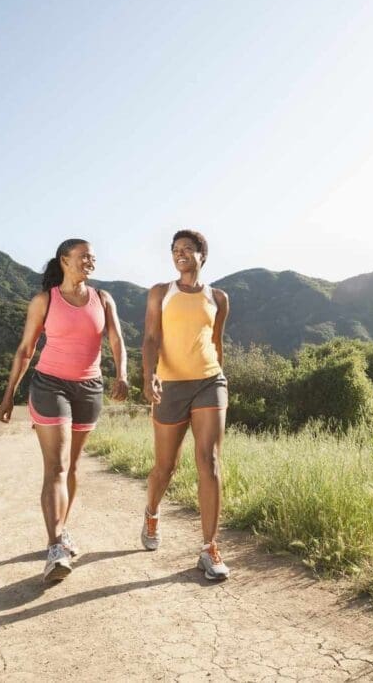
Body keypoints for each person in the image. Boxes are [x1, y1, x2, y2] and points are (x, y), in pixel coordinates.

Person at [0, 238, 128, 583]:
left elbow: (116, 339)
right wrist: (9, 393)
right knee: (55, 465)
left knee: (71, 466)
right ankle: (55, 546)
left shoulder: (103, 298)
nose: (91, 260)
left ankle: (61, 528)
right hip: (49, 384)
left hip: (89, 387)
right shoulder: (45, 301)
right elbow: (26, 349)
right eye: (84, 256)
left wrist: (123, 374)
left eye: (93, 256)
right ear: (64, 260)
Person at [141, 229, 231, 580]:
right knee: (165, 467)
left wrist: (221, 377)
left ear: (201, 255)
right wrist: (149, 376)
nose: (180, 254)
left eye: (187, 250)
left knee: (208, 460)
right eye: (175, 250)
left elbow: (217, 342)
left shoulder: (218, 297)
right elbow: (150, 338)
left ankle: (209, 548)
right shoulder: (160, 293)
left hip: (210, 381)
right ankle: (151, 511)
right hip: (170, 385)